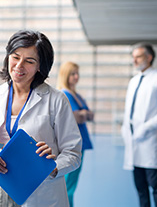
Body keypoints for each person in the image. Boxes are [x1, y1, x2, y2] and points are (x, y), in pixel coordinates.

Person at [0, 30, 82, 206]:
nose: (19, 65)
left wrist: (52, 167)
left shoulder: (56, 99)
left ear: (40, 66)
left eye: (29, 61)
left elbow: (73, 153)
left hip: (39, 193)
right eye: (15, 57)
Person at [121, 43, 157, 207]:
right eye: (133, 57)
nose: (134, 60)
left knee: (156, 187)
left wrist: (146, 128)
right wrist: (125, 130)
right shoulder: (134, 81)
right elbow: (129, 110)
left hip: (149, 140)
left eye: (138, 57)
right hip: (132, 141)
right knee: (140, 187)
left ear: (149, 57)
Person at [57, 61, 94, 207]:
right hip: (72, 144)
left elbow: (89, 115)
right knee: (68, 185)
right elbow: (74, 117)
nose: (76, 77)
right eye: (73, 74)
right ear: (66, 75)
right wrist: (82, 114)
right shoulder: (64, 94)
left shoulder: (76, 95)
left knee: (72, 183)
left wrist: (82, 114)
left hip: (81, 142)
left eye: (77, 73)